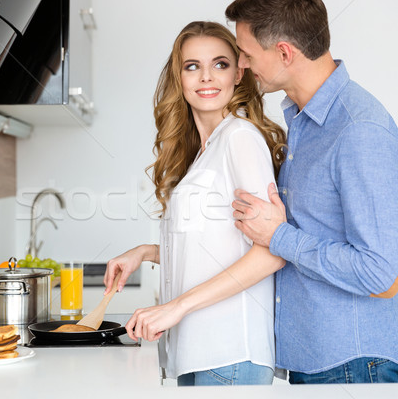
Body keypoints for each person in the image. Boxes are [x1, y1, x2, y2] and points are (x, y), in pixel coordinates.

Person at [225, 0, 398, 384]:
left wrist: (279, 237)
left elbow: (379, 271)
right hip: (319, 360)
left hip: (352, 364)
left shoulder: (359, 129)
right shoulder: (304, 120)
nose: (241, 66)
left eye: (245, 54)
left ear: (284, 53)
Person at [104, 21, 286, 386]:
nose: (206, 77)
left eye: (220, 64)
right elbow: (211, 244)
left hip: (230, 352)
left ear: (238, 72)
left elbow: (272, 251)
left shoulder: (240, 138)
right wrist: (145, 252)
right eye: (192, 66)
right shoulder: (204, 151)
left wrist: (176, 307)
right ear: (180, 77)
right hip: (197, 353)